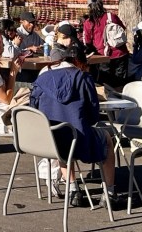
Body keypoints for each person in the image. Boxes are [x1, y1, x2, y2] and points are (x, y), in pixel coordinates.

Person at [31, 45, 120, 206]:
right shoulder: (83, 78)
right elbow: (93, 117)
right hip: (79, 138)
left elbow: (34, 107)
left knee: (62, 136)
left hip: (49, 141)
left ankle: (73, 189)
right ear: (79, 62)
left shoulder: (43, 78)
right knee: (107, 138)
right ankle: (110, 192)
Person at [82, 0, 129, 85]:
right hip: (120, 52)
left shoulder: (88, 22)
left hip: (102, 56)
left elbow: (87, 42)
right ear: (102, 5)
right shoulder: (112, 16)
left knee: (106, 84)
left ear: (89, 7)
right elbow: (122, 29)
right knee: (121, 83)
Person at [15, 11, 45, 89]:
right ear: (22, 21)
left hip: (34, 67)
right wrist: (28, 49)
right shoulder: (16, 34)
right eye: (30, 22)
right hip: (20, 70)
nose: (32, 25)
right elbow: (12, 52)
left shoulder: (35, 35)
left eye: (33, 22)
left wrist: (41, 48)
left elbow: (43, 46)